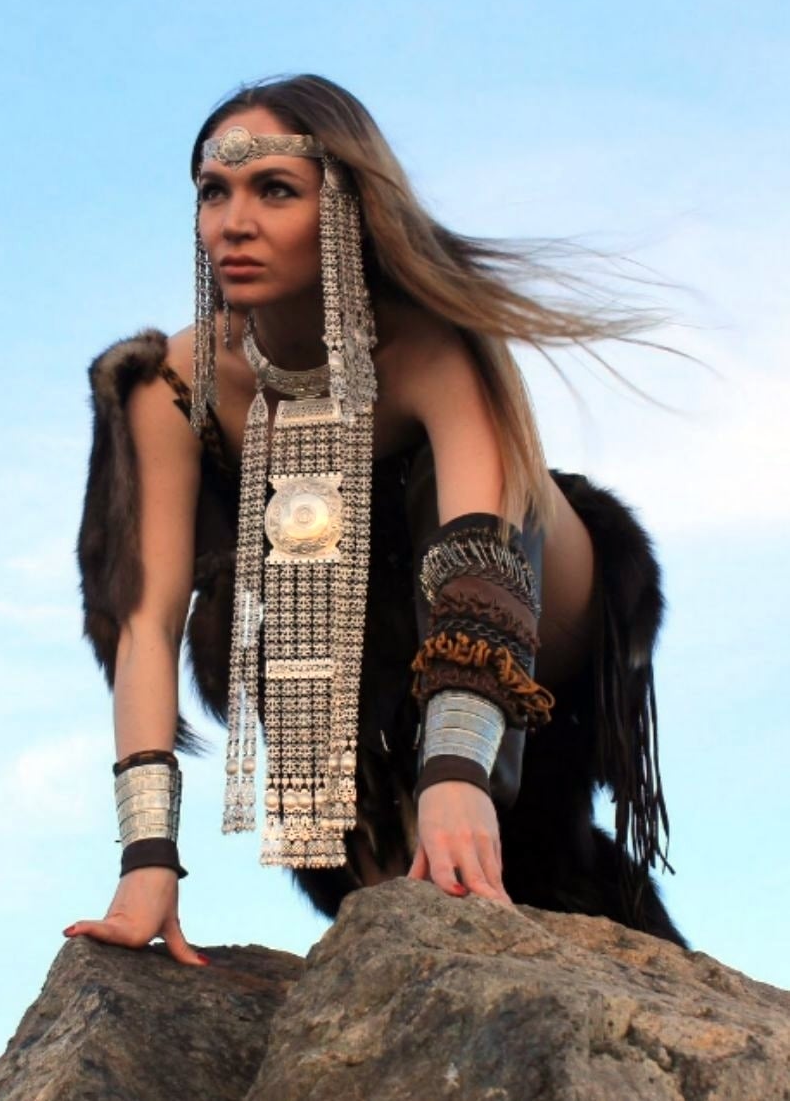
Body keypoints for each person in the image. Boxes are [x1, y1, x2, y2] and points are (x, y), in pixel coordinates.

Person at [63, 74, 685, 964]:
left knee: (446, 505)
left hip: (532, 606)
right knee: (294, 526)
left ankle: (462, 784)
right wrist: (147, 860)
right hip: (349, 657)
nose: (233, 222)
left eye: (275, 189)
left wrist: (457, 771)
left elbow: (483, 545)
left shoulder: (430, 339)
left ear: (346, 206)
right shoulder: (171, 383)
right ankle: (407, 822)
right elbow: (144, 625)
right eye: (213, 192)